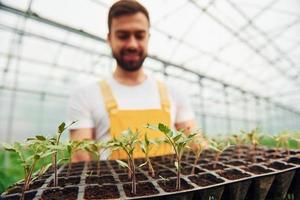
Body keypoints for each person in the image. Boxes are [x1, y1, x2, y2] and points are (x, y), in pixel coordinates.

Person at [67, 0, 198, 162]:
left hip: (172, 185)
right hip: (113, 187)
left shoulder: (174, 93)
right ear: (109, 39)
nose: (132, 44)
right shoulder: (85, 95)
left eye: (139, 35)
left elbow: (196, 145)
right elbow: (80, 158)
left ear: (148, 38)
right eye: (123, 36)